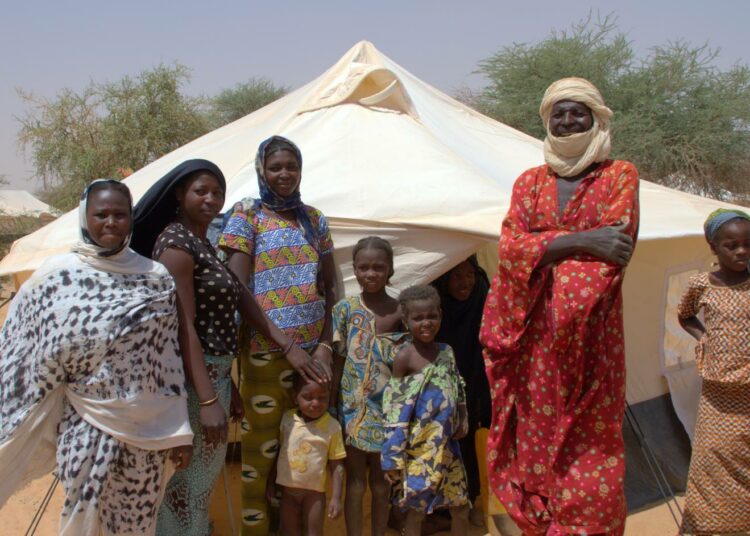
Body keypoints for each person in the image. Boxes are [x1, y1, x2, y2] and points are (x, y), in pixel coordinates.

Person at [480, 77, 639, 534]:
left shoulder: (619, 175)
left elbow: (616, 248)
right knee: (532, 435)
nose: (568, 121)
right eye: (559, 113)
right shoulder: (529, 182)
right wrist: (583, 240)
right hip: (532, 343)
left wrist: (544, 248)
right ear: (547, 120)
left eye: (578, 112)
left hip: (592, 340)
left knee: (592, 442)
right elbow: (510, 249)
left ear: (596, 117)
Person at [131, 159, 314, 536]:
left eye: (218, 192)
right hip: (195, 382)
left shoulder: (202, 243)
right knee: (190, 485)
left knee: (198, 482)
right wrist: (209, 399)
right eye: (201, 191)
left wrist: (223, 388)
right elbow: (185, 330)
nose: (211, 199)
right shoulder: (177, 246)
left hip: (212, 377)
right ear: (180, 195)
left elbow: (239, 296)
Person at [0, 180, 193, 536]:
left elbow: (168, 360)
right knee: (82, 519)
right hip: (84, 421)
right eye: (100, 214)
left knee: (137, 523)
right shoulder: (56, 279)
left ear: (131, 219)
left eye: (120, 214)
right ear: (84, 217)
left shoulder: (154, 278)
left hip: (146, 431)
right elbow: (18, 354)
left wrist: (178, 430)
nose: (111, 222)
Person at [219, 135, 336, 535]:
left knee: (302, 458)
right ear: (261, 171)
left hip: (312, 357)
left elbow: (332, 288)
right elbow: (239, 290)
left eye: (291, 166)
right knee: (261, 458)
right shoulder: (246, 216)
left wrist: (322, 347)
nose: (284, 174)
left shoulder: (314, 219)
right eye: (275, 167)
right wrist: (287, 347)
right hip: (265, 354)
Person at [677, 209, 750, 535]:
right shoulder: (700, 284)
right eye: (731, 245)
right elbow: (685, 315)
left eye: (748, 244)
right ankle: (710, 526)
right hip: (718, 394)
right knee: (712, 460)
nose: (741, 252)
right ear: (714, 247)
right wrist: (704, 338)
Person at [382, 285, 470, 536]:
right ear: (406, 320)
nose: (426, 323)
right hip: (419, 451)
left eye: (431, 316)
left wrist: (463, 414)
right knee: (416, 510)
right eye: (418, 318)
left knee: (460, 506)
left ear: (441, 315)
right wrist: (392, 460)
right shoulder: (405, 358)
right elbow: (394, 410)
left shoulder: (447, 352)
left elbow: (458, 384)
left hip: (449, 448)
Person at [332, 236, 404, 536]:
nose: (370, 274)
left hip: (387, 409)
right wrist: (330, 403)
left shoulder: (401, 311)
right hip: (352, 408)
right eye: (363, 267)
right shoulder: (345, 309)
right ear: (354, 269)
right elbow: (337, 359)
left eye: (378, 267)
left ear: (390, 270)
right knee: (355, 482)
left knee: (380, 480)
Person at [433, 255, 491, 526]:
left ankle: (471, 502)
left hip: (474, 383)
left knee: (468, 444)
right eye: (456, 276)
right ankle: (443, 509)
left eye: (468, 274)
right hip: (441, 388)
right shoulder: (436, 309)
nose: (464, 282)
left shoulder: (481, 292)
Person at [268, 372, 346, 536]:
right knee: (289, 531)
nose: (315, 403)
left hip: (314, 494)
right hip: (287, 493)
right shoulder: (287, 420)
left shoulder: (332, 427)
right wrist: (270, 483)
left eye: (322, 397)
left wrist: (336, 497)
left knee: (314, 532)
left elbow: (336, 464)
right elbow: (280, 453)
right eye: (308, 397)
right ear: (295, 397)